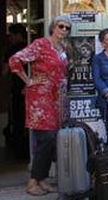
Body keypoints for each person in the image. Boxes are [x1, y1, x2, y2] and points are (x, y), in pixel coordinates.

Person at [9, 15, 71, 196]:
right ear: (53, 27)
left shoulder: (62, 47)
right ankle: (32, 182)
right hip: (40, 99)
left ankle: (42, 179)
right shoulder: (41, 44)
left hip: (56, 100)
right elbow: (15, 60)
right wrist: (28, 80)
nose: (64, 30)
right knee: (46, 139)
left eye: (67, 28)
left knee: (51, 141)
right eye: (61, 26)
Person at [2, 23, 28, 158]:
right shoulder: (31, 46)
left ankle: (19, 151)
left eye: (11, 35)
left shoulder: (11, 50)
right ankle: (28, 149)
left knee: (18, 120)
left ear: (18, 35)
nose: (10, 38)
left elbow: (5, 72)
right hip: (32, 88)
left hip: (18, 89)